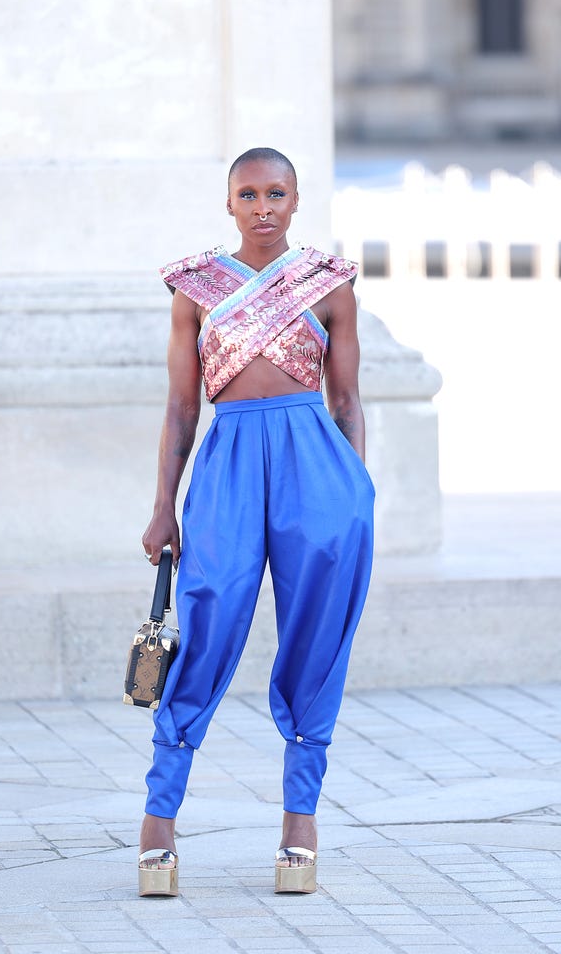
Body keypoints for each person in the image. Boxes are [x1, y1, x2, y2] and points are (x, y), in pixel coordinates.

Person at [139, 147, 374, 897]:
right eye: (249, 194)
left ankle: (300, 819)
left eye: (277, 192)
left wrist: (356, 490)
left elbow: (346, 401)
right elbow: (182, 407)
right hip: (229, 463)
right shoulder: (195, 287)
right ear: (229, 203)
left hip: (316, 467)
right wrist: (162, 506)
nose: (263, 206)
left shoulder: (329, 285)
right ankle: (158, 819)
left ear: (297, 201)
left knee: (316, 636)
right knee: (207, 626)